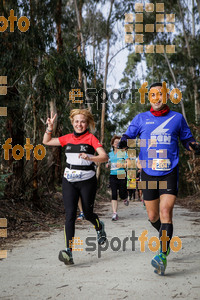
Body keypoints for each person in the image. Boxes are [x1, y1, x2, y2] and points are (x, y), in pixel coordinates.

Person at [119, 82, 200, 275]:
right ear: (149, 98)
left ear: (166, 96)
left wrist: (194, 146)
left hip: (170, 171)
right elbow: (128, 135)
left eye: (160, 94)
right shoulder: (141, 118)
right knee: (153, 216)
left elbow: (187, 140)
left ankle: (162, 255)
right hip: (147, 173)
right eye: (152, 95)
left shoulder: (177, 118)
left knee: (165, 211)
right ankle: (166, 239)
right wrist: (123, 142)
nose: (157, 98)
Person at [43, 109, 108, 265]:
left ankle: (99, 226)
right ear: (72, 123)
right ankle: (69, 252)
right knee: (70, 214)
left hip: (87, 180)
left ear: (87, 124)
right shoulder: (68, 138)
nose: (80, 124)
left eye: (83, 121)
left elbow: (104, 157)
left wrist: (91, 157)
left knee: (87, 213)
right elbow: (46, 141)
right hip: (69, 180)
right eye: (77, 121)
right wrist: (49, 128)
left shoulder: (91, 138)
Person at [107, 135, 129, 221]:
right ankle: (114, 213)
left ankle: (124, 197)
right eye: (115, 142)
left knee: (122, 192)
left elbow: (128, 163)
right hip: (112, 174)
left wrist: (122, 165)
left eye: (118, 142)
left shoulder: (123, 153)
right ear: (112, 144)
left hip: (121, 173)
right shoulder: (110, 154)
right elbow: (108, 161)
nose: (116, 143)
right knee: (114, 194)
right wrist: (107, 164)